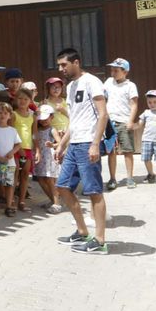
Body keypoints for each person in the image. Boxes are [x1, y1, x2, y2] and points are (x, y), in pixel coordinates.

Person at [55, 49, 111, 254]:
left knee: (94, 191)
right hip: (74, 144)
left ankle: (100, 241)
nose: (61, 69)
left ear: (76, 62)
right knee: (62, 186)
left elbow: (103, 114)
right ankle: (81, 231)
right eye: (59, 65)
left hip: (88, 142)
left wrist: (96, 143)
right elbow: (74, 120)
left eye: (64, 65)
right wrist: (61, 144)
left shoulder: (92, 82)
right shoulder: (70, 87)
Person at [102, 59, 140, 190]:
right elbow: (102, 98)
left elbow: (134, 104)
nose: (113, 73)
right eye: (112, 70)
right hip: (109, 122)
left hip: (123, 121)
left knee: (127, 150)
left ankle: (130, 178)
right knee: (111, 150)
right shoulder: (108, 83)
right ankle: (112, 178)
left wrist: (130, 121)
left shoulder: (130, 86)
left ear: (125, 72)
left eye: (116, 70)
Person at [9, 89, 37, 212]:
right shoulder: (13, 114)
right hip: (15, 147)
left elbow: (34, 133)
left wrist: (37, 149)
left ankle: (22, 200)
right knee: (14, 173)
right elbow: (10, 132)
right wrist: (17, 147)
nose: (23, 101)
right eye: (20, 98)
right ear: (16, 100)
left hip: (28, 148)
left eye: (26, 99)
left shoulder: (33, 115)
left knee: (25, 174)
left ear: (30, 101)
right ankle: (11, 201)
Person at [32, 106, 60, 209]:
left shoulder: (52, 130)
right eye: (41, 119)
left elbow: (60, 142)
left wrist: (52, 145)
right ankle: (53, 200)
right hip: (39, 157)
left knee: (49, 180)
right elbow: (34, 135)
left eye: (46, 118)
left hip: (48, 158)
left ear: (52, 117)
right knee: (40, 179)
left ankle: (56, 203)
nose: (43, 121)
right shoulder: (37, 129)